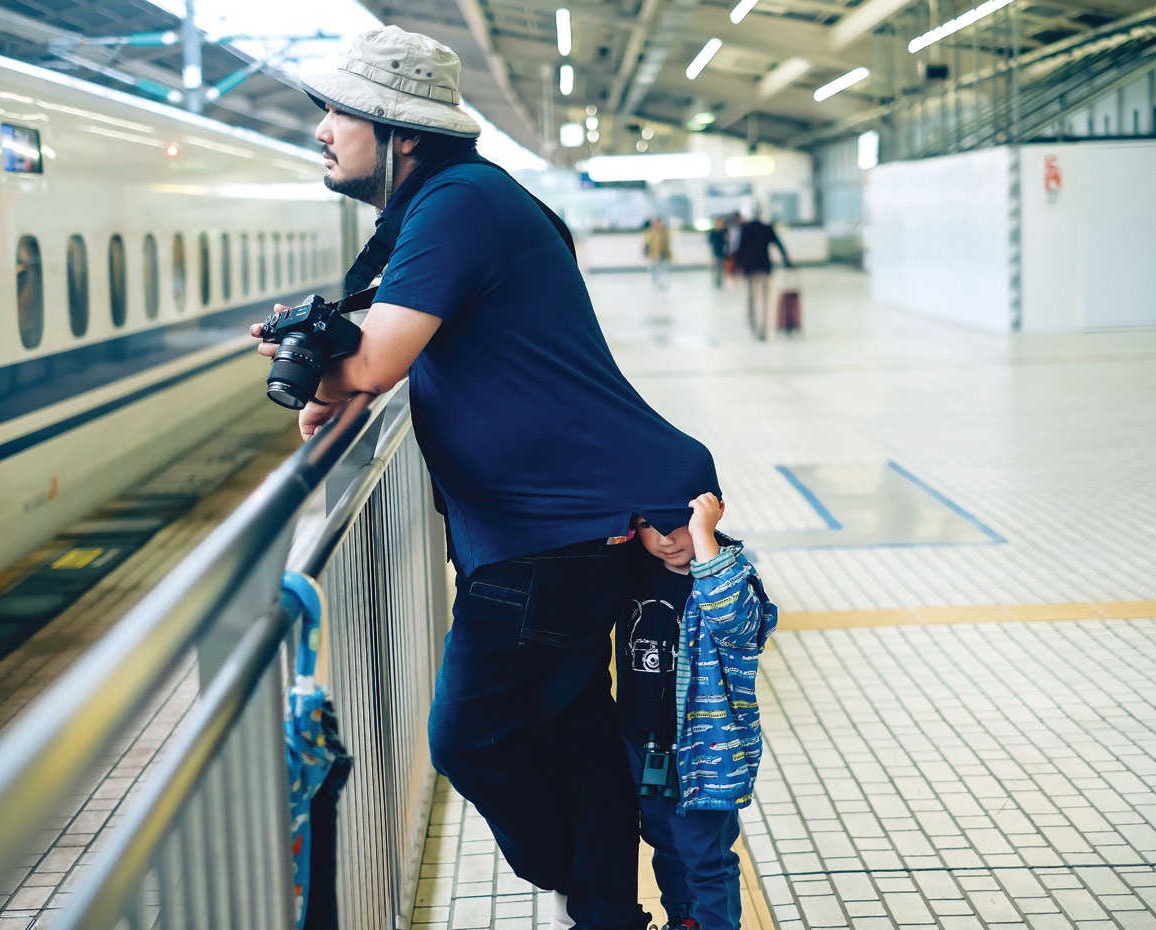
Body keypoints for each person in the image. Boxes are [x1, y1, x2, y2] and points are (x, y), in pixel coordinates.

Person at [250, 26, 720, 930]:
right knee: (577, 731)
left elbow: (377, 359)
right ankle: (606, 911)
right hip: (557, 525)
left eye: (340, 113)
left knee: (470, 740)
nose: (322, 129)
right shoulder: (454, 201)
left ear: (400, 133)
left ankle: (573, 872)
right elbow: (388, 352)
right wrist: (333, 381)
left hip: (550, 537)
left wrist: (321, 372)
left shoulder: (458, 204)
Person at [618, 494, 777, 930]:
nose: (665, 539)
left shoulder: (730, 576)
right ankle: (684, 922)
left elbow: (736, 623)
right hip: (642, 744)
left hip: (705, 751)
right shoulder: (635, 571)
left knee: (707, 858)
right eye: (647, 525)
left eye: (679, 524)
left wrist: (705, 537)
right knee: (665, 845)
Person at [734, 208, 791, 341]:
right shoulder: (767, 228)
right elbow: (779, 244)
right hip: (764, 268)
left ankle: (753, 326)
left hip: (750, 269)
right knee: (765, 300)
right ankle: (763, 330)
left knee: (751, 298)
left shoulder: (746, 229)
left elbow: (740, 249)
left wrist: (737, 267)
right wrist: (787, 261)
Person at [644, 217, 672, 290]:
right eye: (656, 224)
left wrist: (670, 256)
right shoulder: (650, 233)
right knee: (654, 271)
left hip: (663, 256)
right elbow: (647, 244)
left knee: (663, 271)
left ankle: (663, 285)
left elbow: (667, 245)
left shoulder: (665, 233)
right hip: (653, 256)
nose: (658, 225)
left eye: (660, 224)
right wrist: (646, 254)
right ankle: (655, 285)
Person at [706, 218, 728, 290]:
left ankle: (721, 281)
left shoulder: (724, 230)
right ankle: (717, 282)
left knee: (722, 267)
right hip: (716, 251)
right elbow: (710, 241)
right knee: (717, 267)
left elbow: (727, 240)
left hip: (723, 251)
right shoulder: (713, 231)